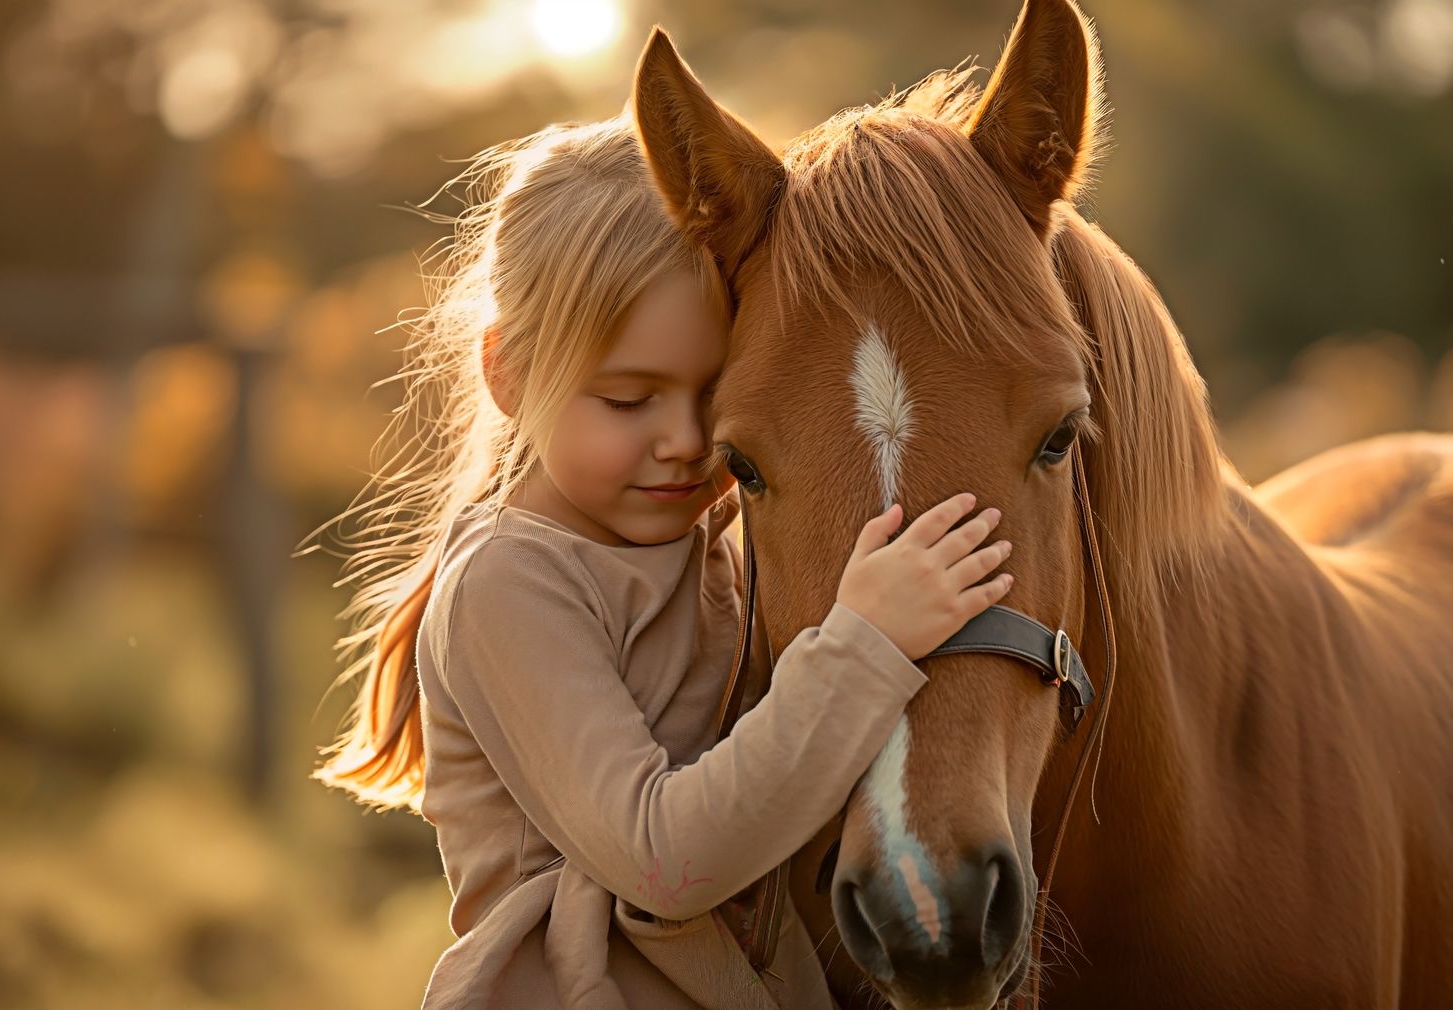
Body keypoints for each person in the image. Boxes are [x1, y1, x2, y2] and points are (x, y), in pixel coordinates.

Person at [313, 114, 1015, 1009]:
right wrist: (865, 641)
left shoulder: (710, 541)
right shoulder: (507, 585)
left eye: (712, 394)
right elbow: (664, 861)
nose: (684, 441)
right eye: (628, 399)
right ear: (508, 374)